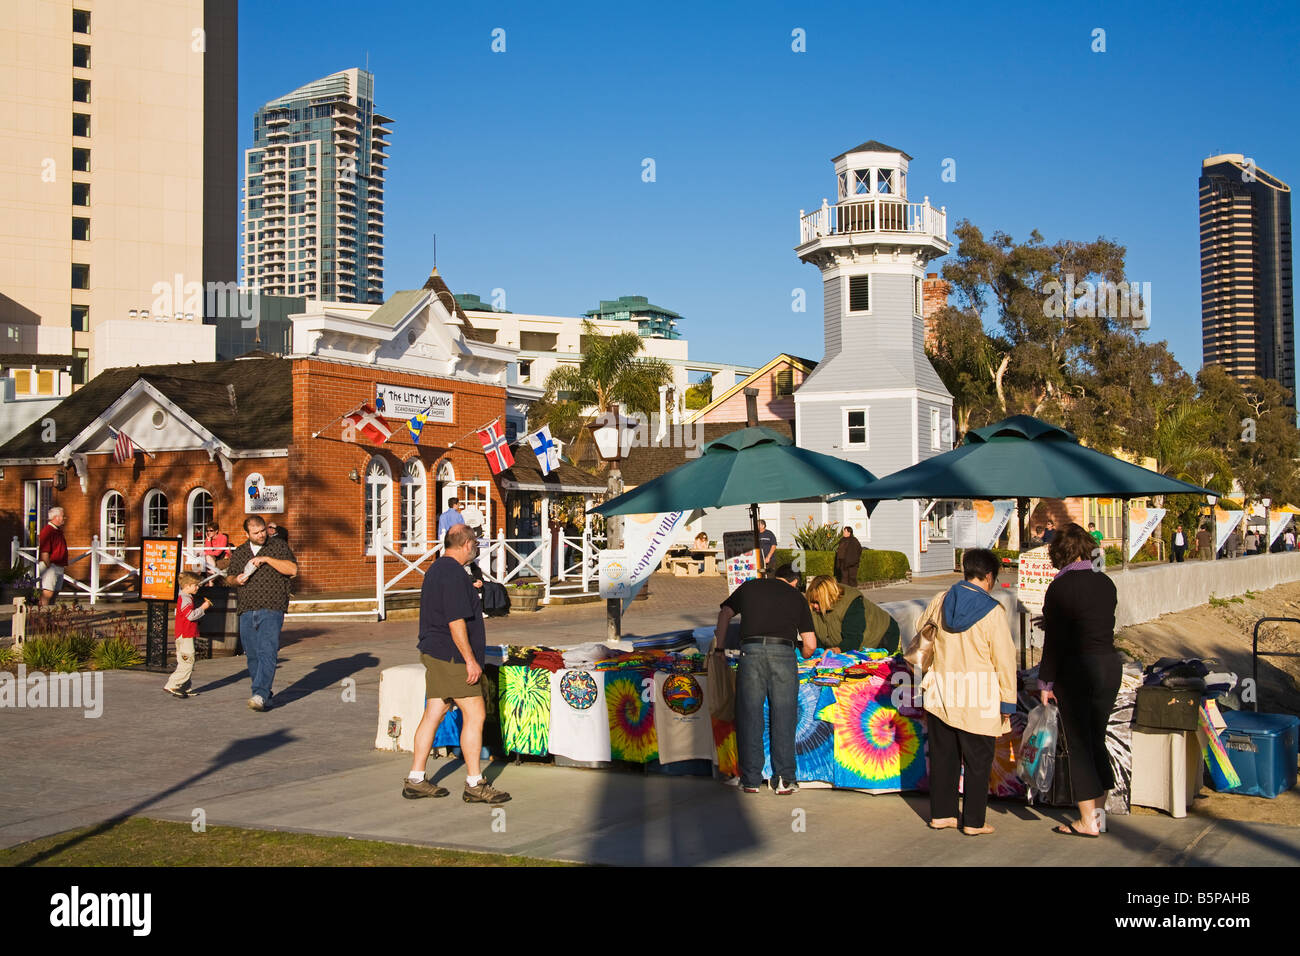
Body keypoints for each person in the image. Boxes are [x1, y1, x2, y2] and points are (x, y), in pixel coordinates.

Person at [404, 524, 511, 805]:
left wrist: (472, 588)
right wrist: (470, 661)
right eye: (474, 542)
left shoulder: (438, 569)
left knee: (434, 712)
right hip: (452, 656)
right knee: (474, 714)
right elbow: (455, 621)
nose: (476, 547)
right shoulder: (452, 574)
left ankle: (416, 779)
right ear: (466, 544)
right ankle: (475, 783)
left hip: (435, 652)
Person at [913, 548, 1016, 836]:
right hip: (978, 698)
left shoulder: (941, 599)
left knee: (944, 757)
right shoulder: (993, 612)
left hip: (941, 692)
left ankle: (942, 815)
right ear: (989, 576)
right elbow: (1004, 659)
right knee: (977, 763)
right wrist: (1008, 701)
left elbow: (921, 628)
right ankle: (973, 821)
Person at [1038, 522, 1121, 837]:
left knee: (1079, 746)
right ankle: (1099, 815)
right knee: (1096, 739)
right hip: (1109, 667)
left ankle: (1087, 822)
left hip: (1077, 672)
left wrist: (1046, 683)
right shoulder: (1106, 582)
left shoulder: (1060, 587)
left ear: (1059, 553)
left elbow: (1055, 643)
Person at [713, 563, 815, 795]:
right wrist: (805, 655)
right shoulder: (796, 596)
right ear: (794, 581)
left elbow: (725, 613)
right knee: (784, 715)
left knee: (749, 715)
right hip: (783, 654)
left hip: (751, 652)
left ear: (774, 576)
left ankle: (750, 779)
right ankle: (785, 780)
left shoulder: (749, 587)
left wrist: (719, 649)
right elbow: (810, 644)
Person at [227, 515, 297, 711]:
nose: (261, 535)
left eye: (263, 531)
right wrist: (236, 580)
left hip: (272, 605)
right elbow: (229, 577)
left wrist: (266, 559)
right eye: (256, 532)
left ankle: (259, 693)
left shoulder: (278, 547)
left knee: (267, 650)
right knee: (253, 654)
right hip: (247, 607)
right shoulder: (240, 552)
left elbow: (292, 569)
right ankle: (265, 694)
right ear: (247, 533)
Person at [806, 575, 899, 653]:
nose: (814, 606)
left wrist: (835, 650)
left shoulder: (851, 603)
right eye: (812, 602)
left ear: (828, 598)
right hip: (851, 645)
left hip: (883, 636)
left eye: (817, 602)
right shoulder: (813, 608)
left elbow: (853, 639)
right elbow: (817, 637)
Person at [163, 571, 212, 699]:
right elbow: (190, 615)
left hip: (184, 634)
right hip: (185, 635)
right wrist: (203, 608)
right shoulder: (185, 599)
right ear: (187, 586)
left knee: (185, 661)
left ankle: (184, 686)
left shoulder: (186, 597)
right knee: (188, 661)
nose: (197, 587)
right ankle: (173, 684)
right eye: (195, 585)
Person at [37, 506, 69, 607]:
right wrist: (49, 566)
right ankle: (41, 616)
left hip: (58, 565)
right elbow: (45, 552)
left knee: (55, 592)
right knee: (48, 592)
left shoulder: (57, 531)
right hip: (51, 565)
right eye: (62, 516)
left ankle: (49, 616)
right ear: (57, 517)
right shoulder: (48, 531)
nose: (64, 519)